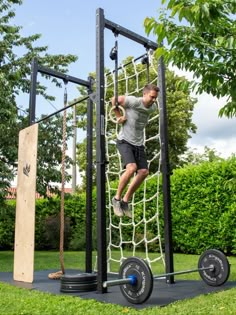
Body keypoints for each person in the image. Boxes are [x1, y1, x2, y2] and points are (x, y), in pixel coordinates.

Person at [111, 83, 160, 218]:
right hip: (125, 141)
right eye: (151, 97)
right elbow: (114, 99)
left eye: (155, 98)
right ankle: (116, 199)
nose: (154, 100)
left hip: (138, 144)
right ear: (144, 94)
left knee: (144, 172)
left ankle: (125, 201)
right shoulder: (133, 101)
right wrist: (118, 115)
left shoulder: (153, 108)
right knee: (131, 168)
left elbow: (152, 105)